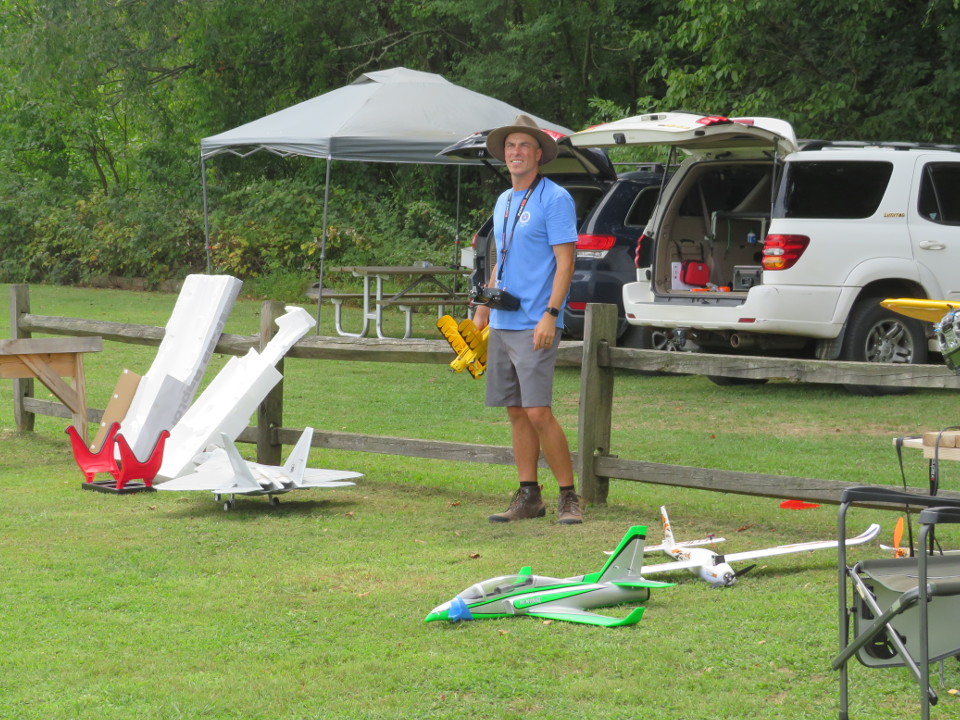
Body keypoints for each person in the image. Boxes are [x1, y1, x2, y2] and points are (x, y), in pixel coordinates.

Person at [472, 114, 582, 525]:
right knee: (515, 412)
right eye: (510, 146)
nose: (515, 152)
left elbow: (566, 264)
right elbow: (501, 258)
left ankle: (569, 497)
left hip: (537, 321)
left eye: (523, 146)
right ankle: (528, 496)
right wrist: (484, 305)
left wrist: (551, 315)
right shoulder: (503, 200)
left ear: (539, 154)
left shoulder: (555, 199)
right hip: (502, 322)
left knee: (538, 411)